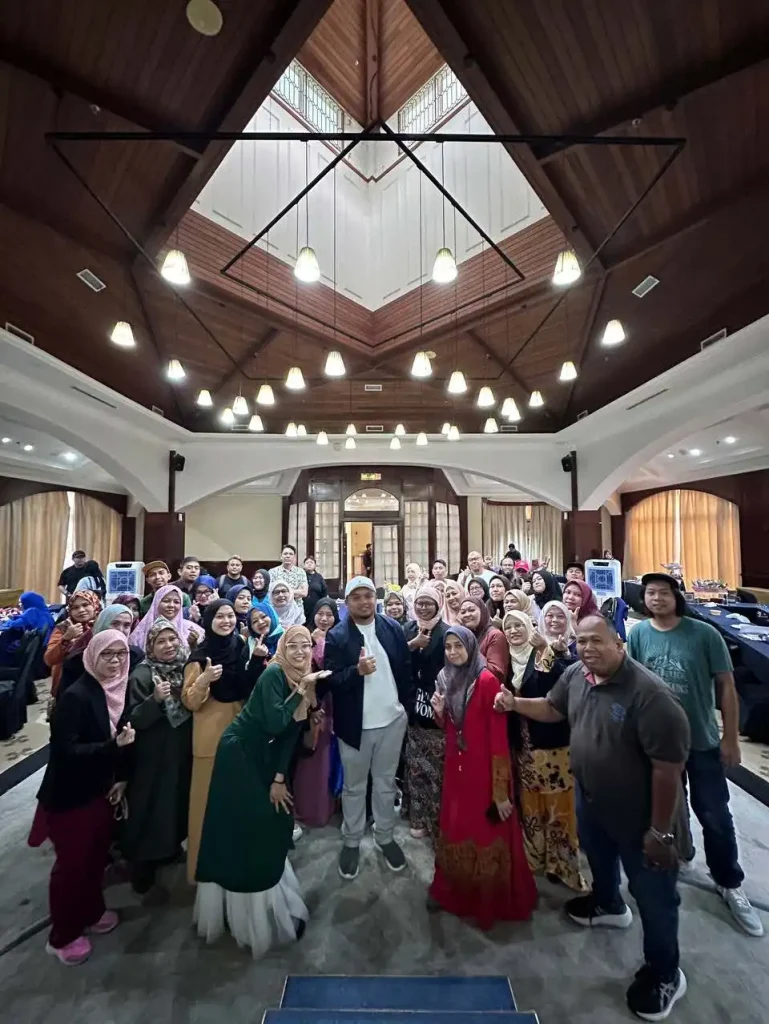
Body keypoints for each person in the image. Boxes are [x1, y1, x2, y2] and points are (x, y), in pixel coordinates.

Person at [497, 615, 690, 1021]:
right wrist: (515, 704)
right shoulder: (576, 676)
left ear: (619, 643)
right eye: (581, 641)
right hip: (592, 801)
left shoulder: (651, 696)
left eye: (597, 641)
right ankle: (608, 904)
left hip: (642, 818)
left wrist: (660, 832)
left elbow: (667, 769)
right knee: (601, 862)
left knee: (654, 897)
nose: (587, 648)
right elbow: (553, 708)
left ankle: (665, 972)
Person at [627, 573, 763, 938]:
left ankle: (729, 881)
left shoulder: (704, 634)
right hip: (658, 742)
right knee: (668, 809)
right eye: (650, 593)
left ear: (677, 597)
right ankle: (678, 857)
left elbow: (727, 687)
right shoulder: (639, 634)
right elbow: (634, 685)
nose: (656, 598)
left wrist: (730, 737)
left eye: (663, 592)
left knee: (714, 813)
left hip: (701, 741)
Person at [193, 627, 328, 957]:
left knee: (272, 824)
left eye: (306, 645)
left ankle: (263, 906)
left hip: (263, 756)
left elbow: (290, 735)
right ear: (282, 648)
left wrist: (279, 779)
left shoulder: (302, 678)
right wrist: (303, 691)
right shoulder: (273, 675)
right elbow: (276, 723)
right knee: (251, 829)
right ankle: (243, 913)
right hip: (239, 756)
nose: (300, 651)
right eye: (292, 645)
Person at [29, 630, 135, 966]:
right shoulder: (77, 695)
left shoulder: (115, 690)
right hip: (71, 796)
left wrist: (121, 779)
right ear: (92, 656)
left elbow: (121, 738)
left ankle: (91, 911)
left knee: (94, 859)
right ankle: (61, 936)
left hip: (100, 790)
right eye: (107, 654)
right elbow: (66, 750)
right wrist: (111, 748)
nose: (115, 661)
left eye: (121, 654)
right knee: (72, 867)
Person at [428, 626, 536, 929]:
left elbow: (499, 738)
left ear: (471, 647)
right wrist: (440, 713)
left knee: (484, 832)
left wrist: (500, 792)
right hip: (456, 768)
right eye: (448, 646)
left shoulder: (487, 681)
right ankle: (455, 890)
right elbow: (451, 728)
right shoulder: (445, 677)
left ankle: (487, 900)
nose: (452, 652)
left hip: (485, 771)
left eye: (458, 646)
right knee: (456, 826)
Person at [322, 576, 413, 880]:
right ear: (347, 602)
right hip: (355, 726)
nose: (364, 602)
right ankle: (351, 841)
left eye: (369, 595)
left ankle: (385, 836)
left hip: (392, 722)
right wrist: (356, 671)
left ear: (376, 598)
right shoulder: (337, 636)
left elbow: (405, 669)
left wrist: (405, 708)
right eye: (357, 597)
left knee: (386, 783)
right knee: (354, 787)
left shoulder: (392, 628)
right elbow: (332, 680)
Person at [501, 611, 584, 891]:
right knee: (530, 806)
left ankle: (561, 866)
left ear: (530, 627)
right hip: (524, 746)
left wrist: (545, 650)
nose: (513, 631)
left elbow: (557, 694)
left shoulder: (545, 655)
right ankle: (534, 857)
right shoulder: (507, 660)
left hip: (553, 747)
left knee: (558, 809)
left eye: (519, 625)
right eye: (508, 627)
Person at [181, 600, 254, 883]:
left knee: (237, 807)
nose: (226, 621)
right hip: (210, 743)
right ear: (209, 620)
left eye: (230, 616)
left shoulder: (240, 646)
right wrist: (204, 680)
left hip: (240, 736)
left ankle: (236, 867)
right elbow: (190, 702)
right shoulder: (200, 657)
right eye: (220, 616)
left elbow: (247, 688)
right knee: (206, 810)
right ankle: (203, 874)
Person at [122, 618, 193, 900]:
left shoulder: (184, 667)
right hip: (152, 758)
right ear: (150, 646)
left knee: (175, 804)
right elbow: (134, 719)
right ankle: (143, 870)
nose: (168, 646)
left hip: (179, 751)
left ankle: (170, 850)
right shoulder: (142, 675)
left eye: (172, 639)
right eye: (161, 641)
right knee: (151, 809)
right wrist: (154, 700)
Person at [403, 583, 447, 842]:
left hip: (436, 703)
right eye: (419, 602)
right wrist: (413, 644)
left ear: (437, 605)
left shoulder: (446, 631)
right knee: (414, 765)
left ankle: (436, 817)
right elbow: (396, 659)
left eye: (428, 603)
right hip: (411, 703)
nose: (423, 607)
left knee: (436, 768)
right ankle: (417, 816)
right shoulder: (407, 629)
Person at [293, 598, 339, 828]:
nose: (324, 618)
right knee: (310, 754)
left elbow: (335, 671)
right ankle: (307, 808)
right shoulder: (305, 637)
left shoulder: (340, 638)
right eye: (320, 613)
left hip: (332, 703)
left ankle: (327, 807)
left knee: (327, 755)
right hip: (309, 702)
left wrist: (322, 644)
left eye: (329, 614)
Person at [59, 603, 144, 697]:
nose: (120, 629)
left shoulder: (135, 656)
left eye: (127, 625)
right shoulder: (76, 660)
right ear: (102, 624)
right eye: (115, 623)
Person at [45, 590, 102, 696]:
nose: (81, 610)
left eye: (85, 605)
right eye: (75, 607)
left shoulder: (103, 625)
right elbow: (49, 660)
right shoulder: (64, 628)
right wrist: (66, 638)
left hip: (99, 682)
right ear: (69, 610)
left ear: (95, 605)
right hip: (68, 685)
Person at [132, 584, 204, 652]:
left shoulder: (191, 629)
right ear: (156, 602)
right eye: (166, 601)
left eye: (176, 602)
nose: (171, 605)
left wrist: (193, 645)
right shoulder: (141, 631)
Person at [458, 596, 509, 682]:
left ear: (482, 611)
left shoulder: (495, 635)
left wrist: (471, 654)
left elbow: (497, 674)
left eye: (471, 610)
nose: (467, 614)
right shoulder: (465, 637)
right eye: (463, 612)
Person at [0, 591, 54, 666]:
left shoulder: (33, 611)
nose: (19, 605)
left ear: (28, 602)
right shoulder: (45, 613)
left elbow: (15, 624)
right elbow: (24, 619)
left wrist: (7, 621)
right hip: (39, 653)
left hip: (24, 655)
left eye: (21, 602)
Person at [269, 545, 309, 612]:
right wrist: (296, 592)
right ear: (281, 556)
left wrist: (282, 592)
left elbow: (304, 592)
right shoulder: (272, 572)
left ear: (294, 557)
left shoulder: (301, 572)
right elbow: (271, 593)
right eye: (285, 554)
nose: (288, 556)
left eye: (291, 554)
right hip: (278, 611)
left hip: (297, 610)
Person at [302, 555, 328, 623]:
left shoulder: (319, 577)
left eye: (311, 562)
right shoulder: (300, 575)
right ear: (304, 565)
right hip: (301, 607)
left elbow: (324, 592)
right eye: (307, 562)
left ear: (315, 565)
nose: (309, 564)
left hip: (316, 607)